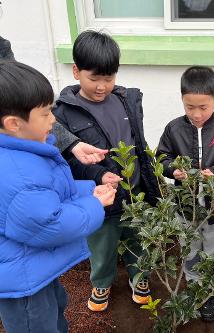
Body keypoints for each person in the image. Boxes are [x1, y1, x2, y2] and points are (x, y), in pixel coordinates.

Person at [0, 61, 116, 332]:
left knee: (55, 311)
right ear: (14, 123)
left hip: (32, 266)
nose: (53, 120)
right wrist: (94, 204)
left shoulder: (25, 149)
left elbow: (48, 192)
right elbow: (50, 224)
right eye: (45, 113)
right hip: (23, 284)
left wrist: (88, 190)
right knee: (38, 324)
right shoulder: (17, 174)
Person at [53, 30, 159, 312]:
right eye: (94, 78)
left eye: (108, 78)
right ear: (76, 71)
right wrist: (98, 175)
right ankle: (101, 281)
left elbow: (139, 143)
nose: (102, 86)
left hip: (135, 192)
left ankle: (141, 277)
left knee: (139, 237)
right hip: (99, 195)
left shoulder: (126, 100)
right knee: (101, 243)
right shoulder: (63, 112)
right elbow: (69, 160)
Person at [156, 65, 214, 321]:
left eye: (203, 107)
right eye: (189, 107)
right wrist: (174, 170)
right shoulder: (173, 128)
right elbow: (162, 158)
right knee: (190, 249)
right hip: (185, 209)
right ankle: (195, 287)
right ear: (182, 100)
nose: (196, 114)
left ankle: (212, 291)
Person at [0, 34, 108, 165]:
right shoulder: (24, 167)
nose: (54, 119)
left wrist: (88, 186)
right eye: (46, 114)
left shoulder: (46, 147)